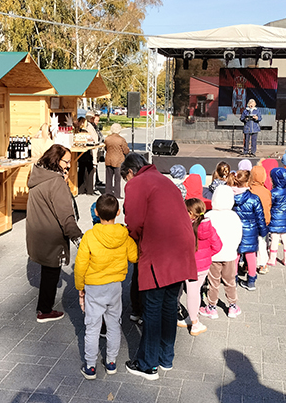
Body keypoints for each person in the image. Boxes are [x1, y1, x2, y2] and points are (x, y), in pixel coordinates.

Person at [121, 153, 196, 380]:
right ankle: (166, 358)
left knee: (152, 308)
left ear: (131, 172)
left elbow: (133, 221)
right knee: (169, 306)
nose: (126, 183)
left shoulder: (137, 183)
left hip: (160, 250)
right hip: (182, 248)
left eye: (125, 178)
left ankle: (148, 364)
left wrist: (132, 239)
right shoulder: (164, 179)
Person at [74, 194, 138, 379]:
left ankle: (91, 366)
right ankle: (111, 362)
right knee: (113, 325)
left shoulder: (90, 236)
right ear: (118, 212)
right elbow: (134, 257)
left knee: (92, 328)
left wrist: (80, 288)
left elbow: (80, 265)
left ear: (95, 212)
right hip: (115, 287)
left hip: (94, 288)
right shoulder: (124, 235)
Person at [26, 145, 82, 322]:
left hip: (37, 232)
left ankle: (44, 307)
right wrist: (78, 237)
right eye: (66, 162)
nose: (68, 166)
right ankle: (44, 310)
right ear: (56, 160)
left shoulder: (39, 175)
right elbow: (65, 215)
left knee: (48, 270)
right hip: (51, 235)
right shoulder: (55, 182)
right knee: (52, 271)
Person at [200, 185, 243, 319]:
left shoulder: (209, 215)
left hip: (213, 255)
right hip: (230, 254)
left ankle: (211, 307)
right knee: (230, 281)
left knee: (213, 282)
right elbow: (239, 235)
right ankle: (232, 306)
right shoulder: (234, 216)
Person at [181, 198, 221, 336]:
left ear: (190, 213)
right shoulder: (209, 227)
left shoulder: (186, 228)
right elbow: (218, 245)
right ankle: (192, 318)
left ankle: (194, 322)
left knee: (192, 292)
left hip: (190, 265)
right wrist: (208, 255)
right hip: (204, 266)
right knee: (196, 290)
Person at [229, 170, 268, 291]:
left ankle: (233, 279)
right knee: (251, 255)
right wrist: (263, 232)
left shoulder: (230, 196)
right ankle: (251, 281)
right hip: (251, 231)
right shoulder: (254, 198)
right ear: (248, 182)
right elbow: (260, 217)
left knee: (235, 255)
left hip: (235, 230)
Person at [249, 165, 272, 275]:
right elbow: (269, 206)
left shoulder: (249, 190)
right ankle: (263, 264)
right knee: (262, 243)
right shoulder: (266, 191)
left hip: (250, 223)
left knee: (249, 244)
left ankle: (247, 264)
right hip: (263, 222)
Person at [103, 123, 129, 198]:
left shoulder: (107, 138)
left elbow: (105, 148)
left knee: (108, 178)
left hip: (108, 160)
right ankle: (117, 194)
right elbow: (125, 151)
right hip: (118, 161)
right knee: (117, 179)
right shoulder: (121, 140)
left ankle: (108, 193)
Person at [75, 117, 98, 195]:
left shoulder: (76, 131)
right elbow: (93, 141)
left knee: (81, 170)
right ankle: (89, 189)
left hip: (79, 153)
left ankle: (81, 188)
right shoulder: (86, 131)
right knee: (89, 171)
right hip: (87, 153)